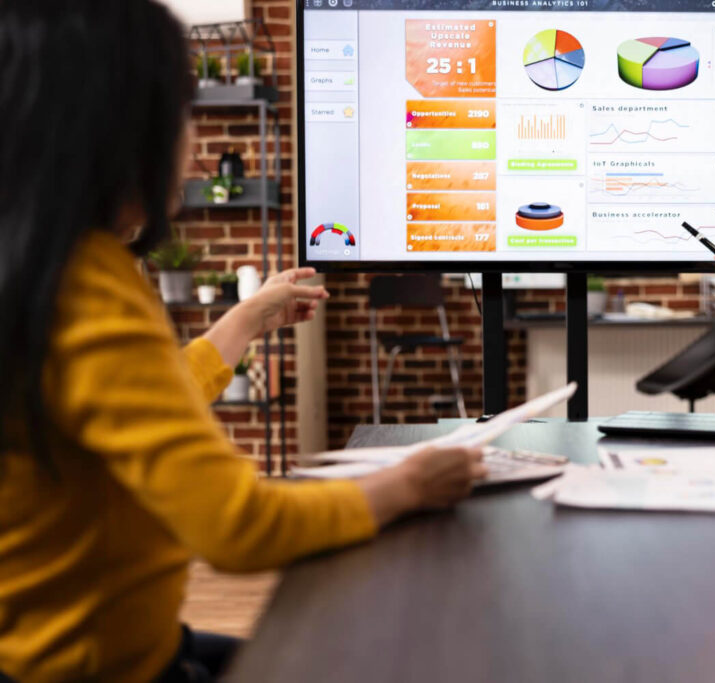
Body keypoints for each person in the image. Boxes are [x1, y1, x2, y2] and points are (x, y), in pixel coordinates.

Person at [0, 3, 485, 681]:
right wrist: (404, 484)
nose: (193, 141)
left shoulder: (40, 271)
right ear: (119, 127)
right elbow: (236, 524)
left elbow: (136, 406)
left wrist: (246, 319)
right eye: (183, 110)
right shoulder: (87, 288)